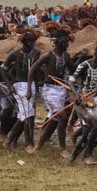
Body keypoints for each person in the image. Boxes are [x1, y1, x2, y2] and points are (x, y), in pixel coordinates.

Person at [29, 29, 76, 158]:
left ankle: (38, 146)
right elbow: (32, 69)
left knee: (55, 120)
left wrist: (82, 58)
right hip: (49, 89)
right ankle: (63, 149)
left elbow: (74, 70)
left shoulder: (66, 56)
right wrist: (29, 88)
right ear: (56, 41)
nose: (66, 43)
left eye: (67, 41)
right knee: (62, 117)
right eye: (64, 40)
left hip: (61, 89)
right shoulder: (48, 56)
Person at [2, 29, 42, 153]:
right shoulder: (15, 54)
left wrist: (39, 83)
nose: (33, 43)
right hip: (20, 86)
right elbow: (3, 70)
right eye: (30, 41)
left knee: (26, 115)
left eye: (34, 41)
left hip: (32, 85)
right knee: (27, 114)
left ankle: (9, 140)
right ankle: (28, 143)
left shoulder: (37, 53)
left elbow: (37, 70)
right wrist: (9, 86)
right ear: (24, 41)